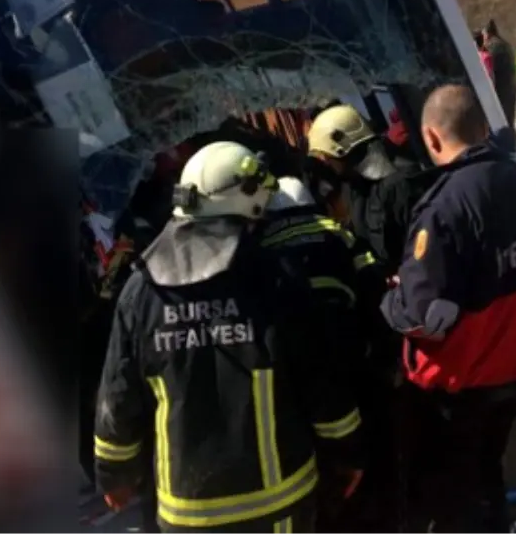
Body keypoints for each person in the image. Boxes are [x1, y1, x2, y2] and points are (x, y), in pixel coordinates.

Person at [93, 142, 364, 534]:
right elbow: (320, 380)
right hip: (279, 503)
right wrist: (348, 453)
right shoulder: (276, 279)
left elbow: (118, 396)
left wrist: (113, 474)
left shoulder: (142, 290)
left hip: (187, 513)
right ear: (251, 203)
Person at [380, 83, 516, 534]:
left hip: (465, 383)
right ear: (484, 128)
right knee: (486, 473)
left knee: (453, 497)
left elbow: (422, 317)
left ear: (431, 138)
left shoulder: (444, 205)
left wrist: (391, 296)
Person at [260, 176, 399, 533]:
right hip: (354, 355)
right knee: (364, 450)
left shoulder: (261, 244)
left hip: (297, 369)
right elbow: (375, 291)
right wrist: (384, 356)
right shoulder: (342, 235)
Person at [305, 103, 436, 276]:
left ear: (341, 149)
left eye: (327, 157)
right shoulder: (353, 186)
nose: (326, 164)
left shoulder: (399, 183)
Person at [483, 20, 516, 126]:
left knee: (499, 123)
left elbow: (488, 68)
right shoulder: (506, 45)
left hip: (500, 90)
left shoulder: (492, 46)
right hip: (511, 87)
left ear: (488, 34)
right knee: (509, 122)